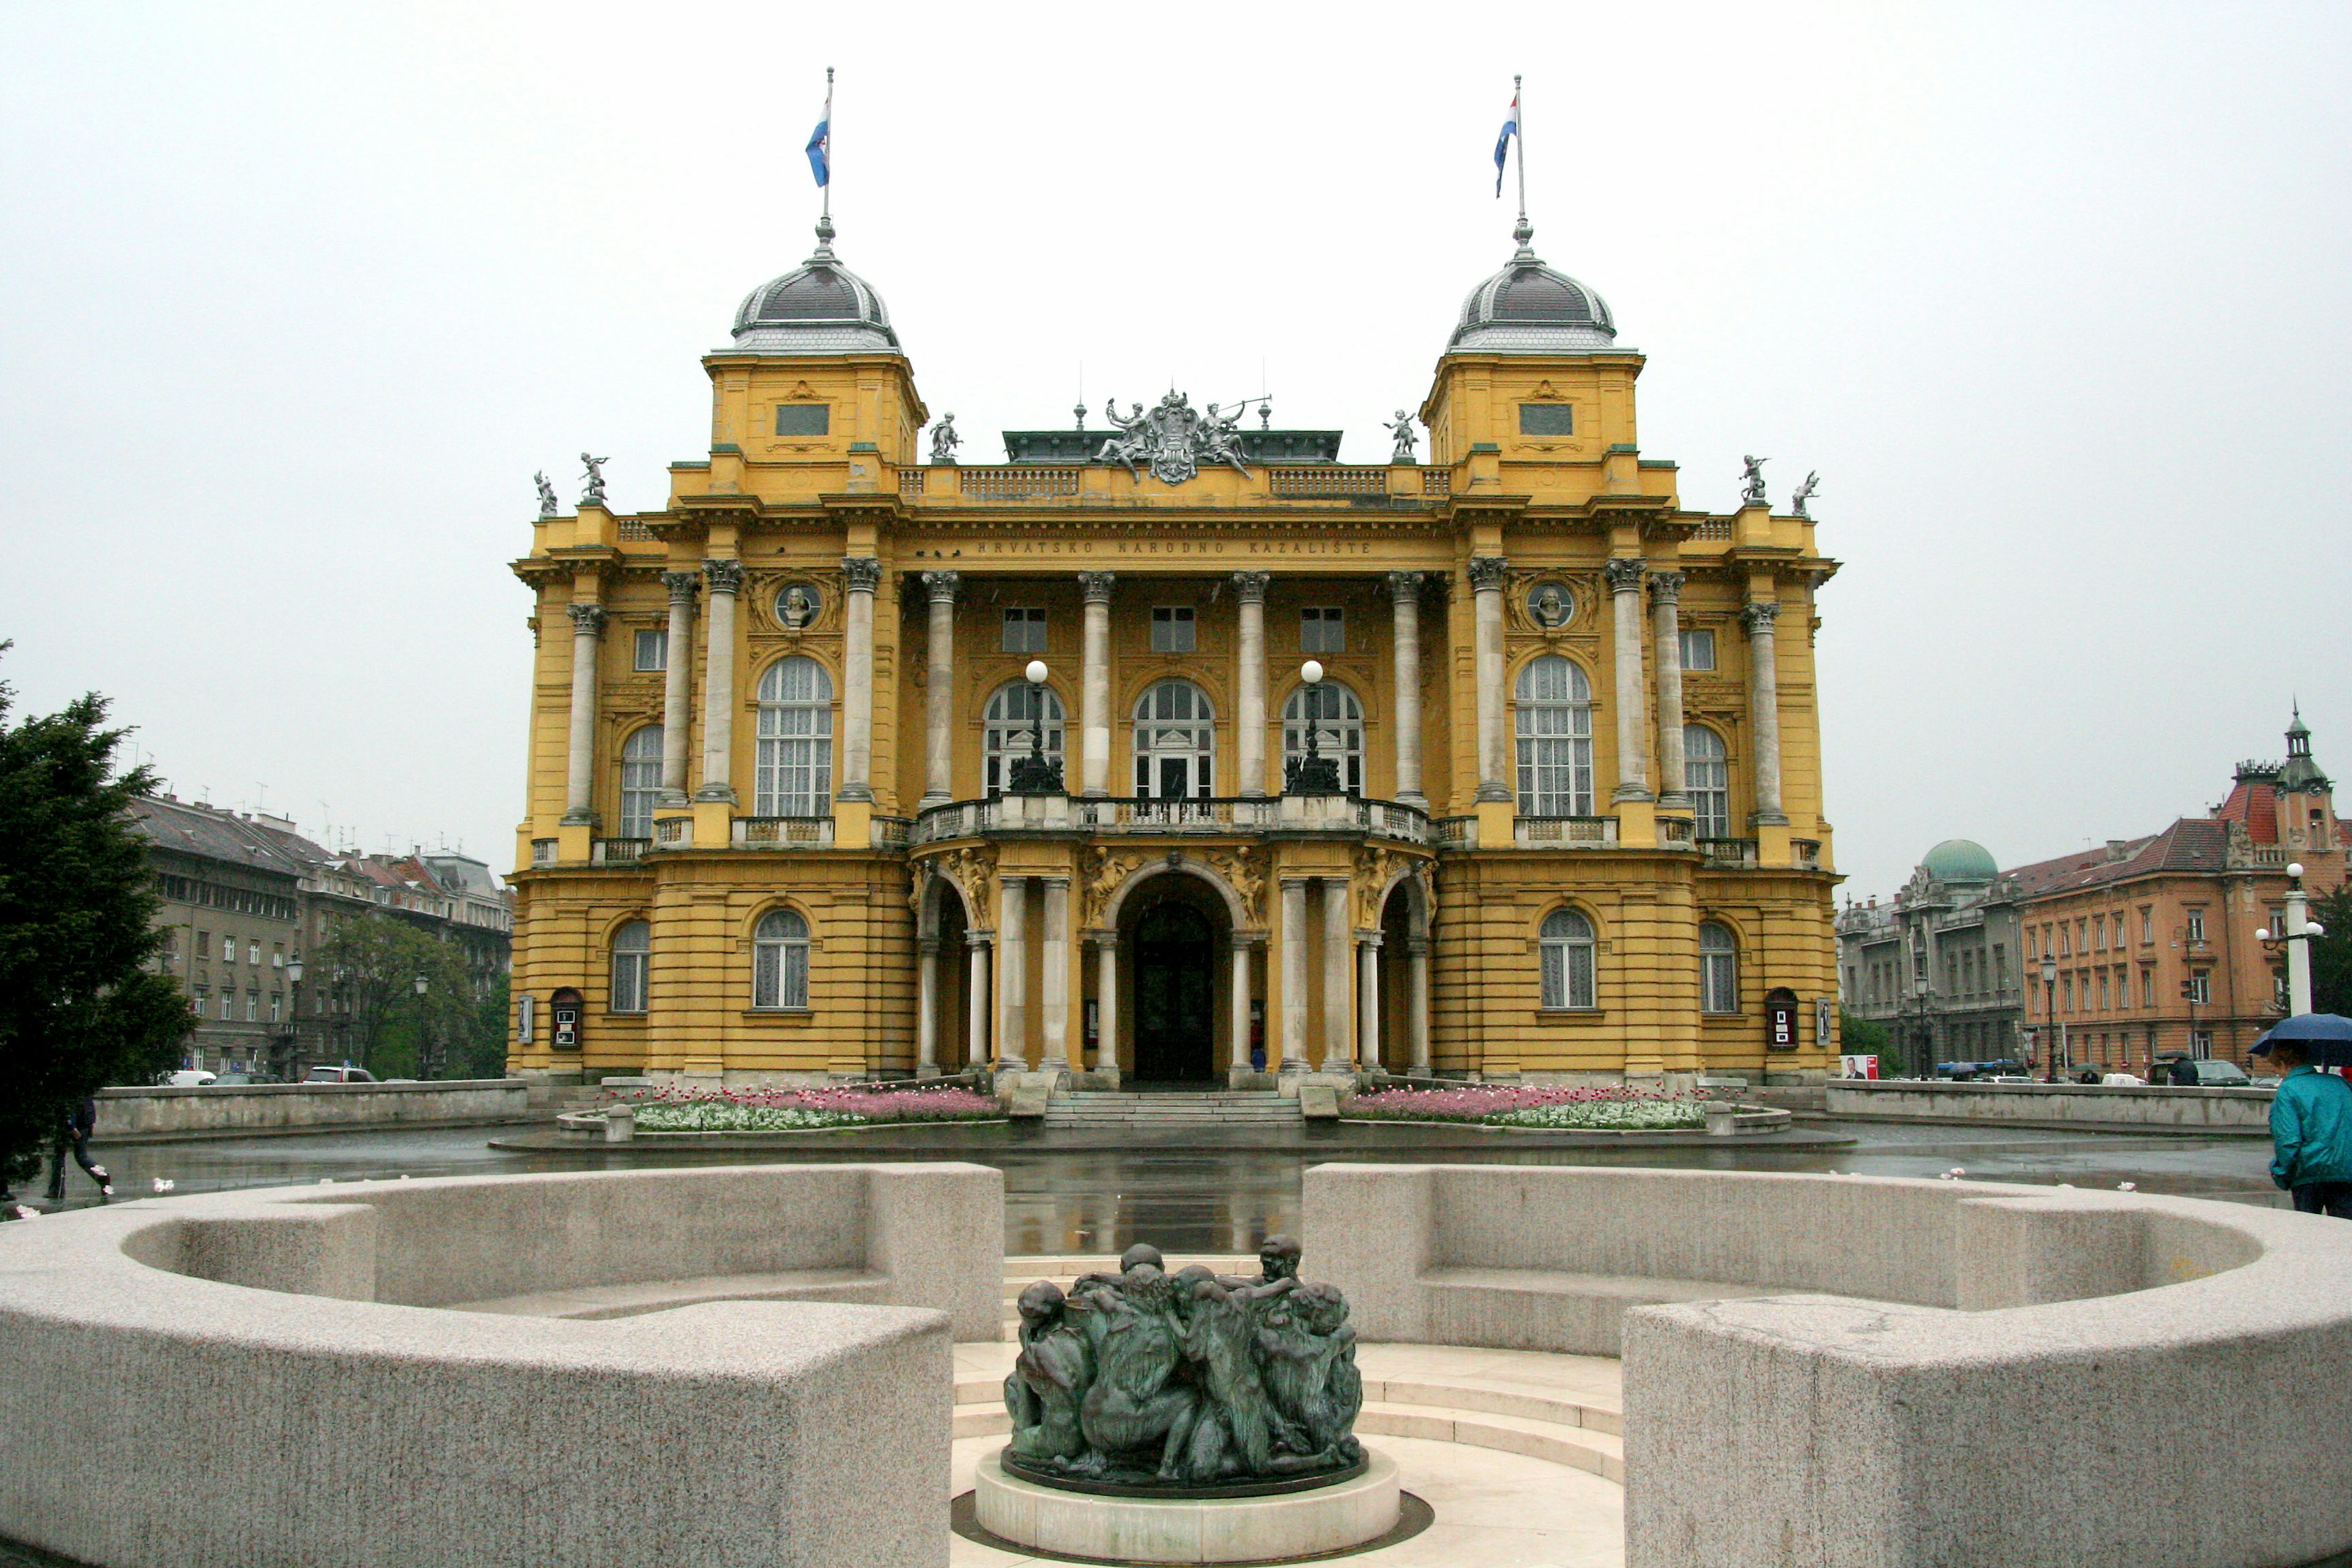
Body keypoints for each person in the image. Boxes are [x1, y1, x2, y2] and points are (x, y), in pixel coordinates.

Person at [2258, 1038, 2352, 1218]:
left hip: (2309, 1172)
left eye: (2276, 1069)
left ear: (2284, 1063)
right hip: (2347, 1171)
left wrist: (2282, 1173)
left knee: (2308, 1230)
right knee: (2346, 1232)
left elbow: (2289, 1141)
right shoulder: (2342, 1084)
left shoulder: (2289, 1089)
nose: (2278, 1074)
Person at [44, 1096, 111, 1205]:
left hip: (72, 1124)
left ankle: (56, 1190)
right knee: (81, 1156)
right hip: (86, 1122)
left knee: (59, 1157)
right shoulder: (85, 1087)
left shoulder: (69, 1087)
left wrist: (72, 1126)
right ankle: (101, 1176)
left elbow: (69, 1107)